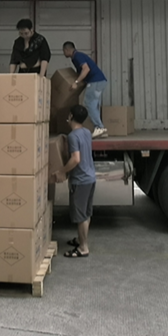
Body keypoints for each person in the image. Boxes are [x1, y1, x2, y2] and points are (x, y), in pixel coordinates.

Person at [58, 104, 96, 258]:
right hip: (90, 177)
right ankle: (81, 239)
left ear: (71, 117)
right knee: (86, 213)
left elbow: (75, 159)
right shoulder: (87, 132)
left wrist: (62, 171)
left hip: (80, 180)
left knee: (80, 216)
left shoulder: (73, 136)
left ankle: (83, 247)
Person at [62, 42, 108, 138]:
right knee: (94, 105)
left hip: (95, 81)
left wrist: (76, 82)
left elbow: (86, 69)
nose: (63, 53)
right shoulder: (76, 57)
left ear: (67, 50)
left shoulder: (77, 56)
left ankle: (99, 127)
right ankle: (101, 130)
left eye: (64, 51)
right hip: (100, 81)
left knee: (89, 103)